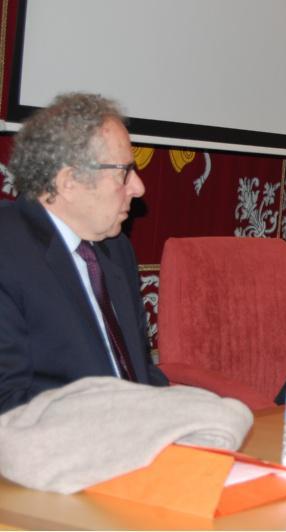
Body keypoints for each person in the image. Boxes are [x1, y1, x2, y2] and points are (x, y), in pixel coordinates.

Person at [0, 92, 168, 414]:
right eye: (123, 172)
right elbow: (8, 404)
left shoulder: (116, 249)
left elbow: (141, 371)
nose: (138, 187)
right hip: (63, 436)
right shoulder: (7, 251)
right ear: (69, 181)